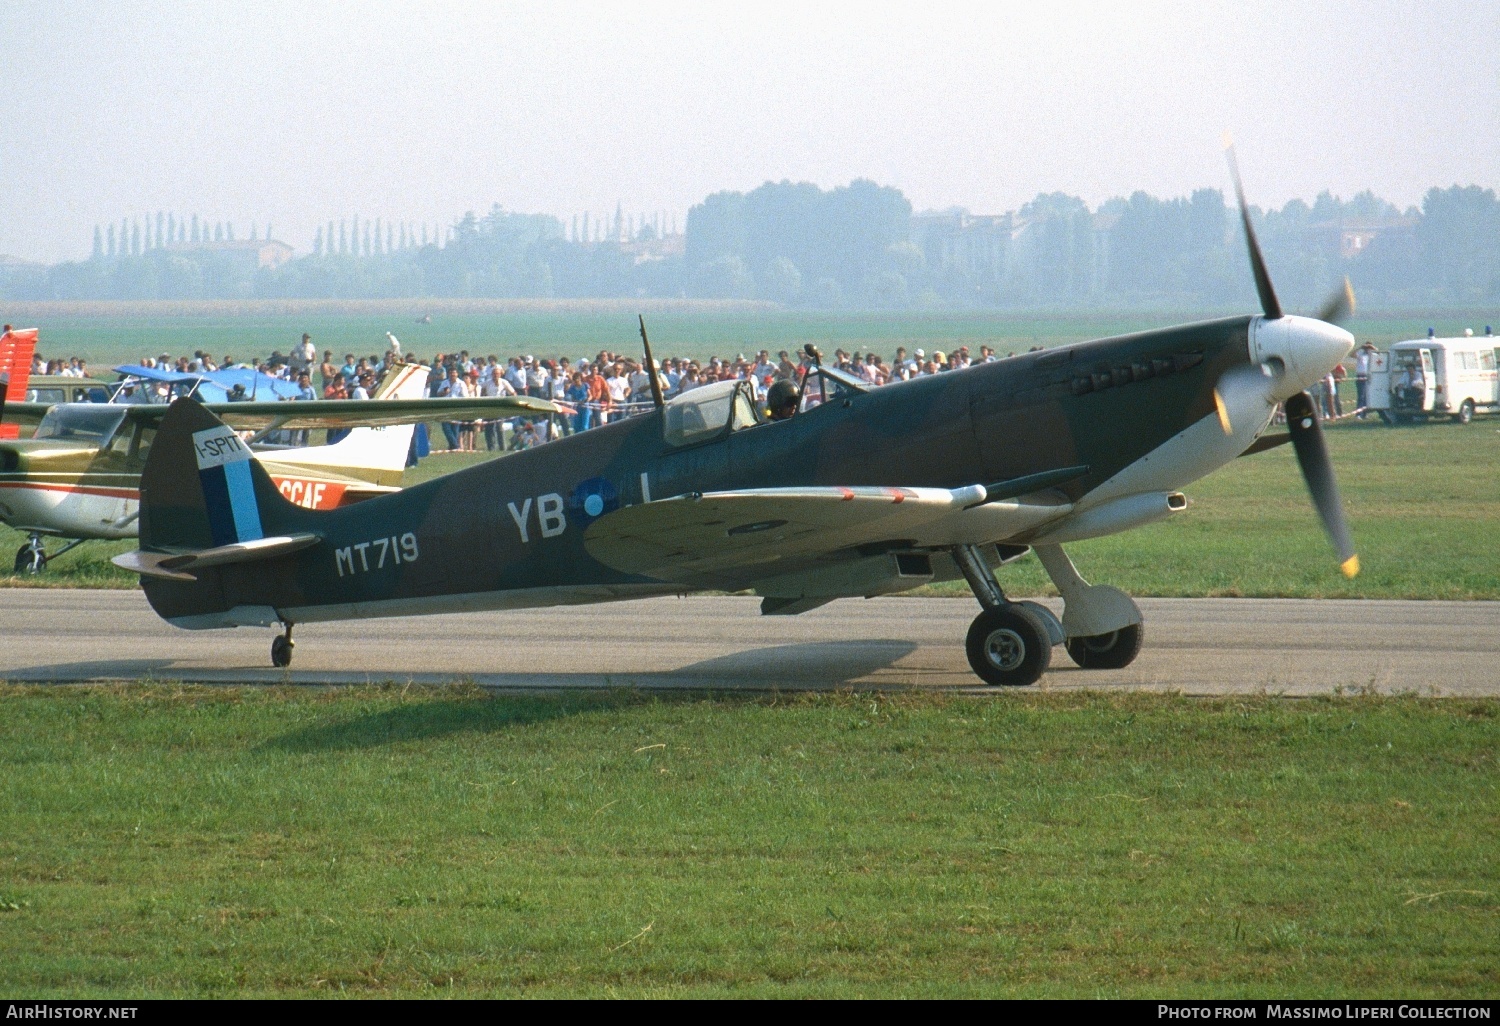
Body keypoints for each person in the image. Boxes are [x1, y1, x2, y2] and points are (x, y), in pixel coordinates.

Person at [1354, 342, 1375, 416]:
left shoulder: (1371, 356)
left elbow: (1379, 353)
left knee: (1367, 396)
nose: (1367, 349)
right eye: (1366, 348)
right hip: (1361, 376)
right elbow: (1352, 354)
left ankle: (1365, 413)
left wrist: (1372, 347)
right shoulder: (1360, 355)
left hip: (1368, 377)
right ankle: (1359, 414)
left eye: (1368, 348)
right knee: (1361, 396)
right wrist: (1360, 347)